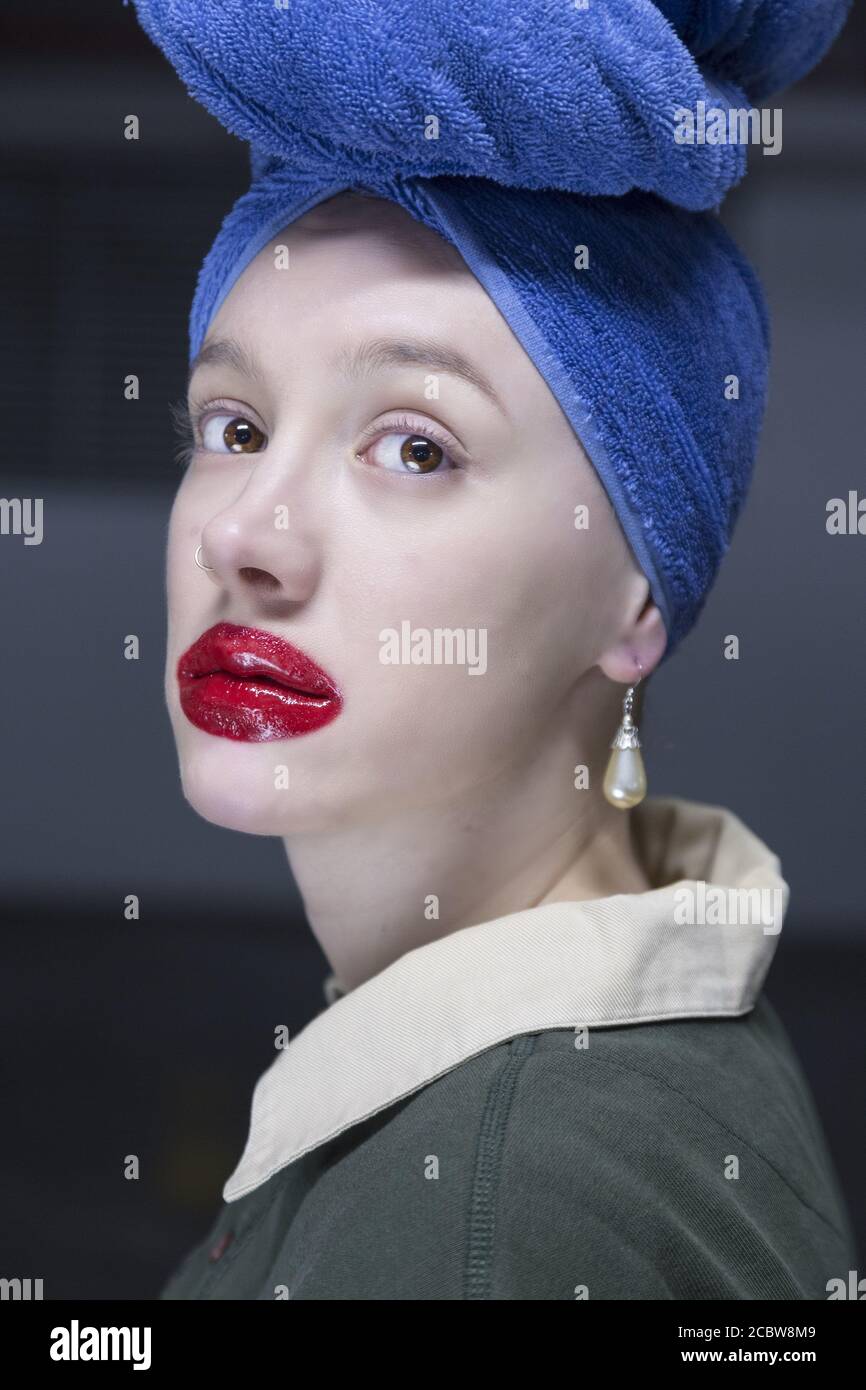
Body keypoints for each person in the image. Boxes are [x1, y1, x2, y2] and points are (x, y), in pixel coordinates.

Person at [132, 0, 858, 1298]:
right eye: (233, 426)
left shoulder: (490, 1220)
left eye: (415, 446)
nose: (250, 532)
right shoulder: (604, 1068)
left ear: (638, 600)